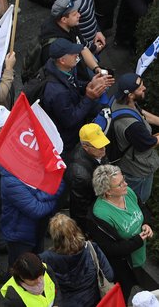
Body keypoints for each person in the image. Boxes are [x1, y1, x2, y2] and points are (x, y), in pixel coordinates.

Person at [90, 164, 156, 294]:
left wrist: (146, 223)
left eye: (124, 180)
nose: (126, 184)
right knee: (125, 294)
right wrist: (137, 241)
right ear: (108, 191)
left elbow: (143, 208)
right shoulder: (101, 214)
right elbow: (110, 249)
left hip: (141, 257)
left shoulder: (128, 192)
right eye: (120, 184)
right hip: (125, 265)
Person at [41, 38, 112, 153]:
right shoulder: (57, 92)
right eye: (72, 53)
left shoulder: (65, 69)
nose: (76, 55)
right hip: (68, 139)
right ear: (62, 60)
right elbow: (70, 120)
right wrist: (89, 97)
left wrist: (90, 84)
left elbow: (74, 85)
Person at [1, 158, 65, 267]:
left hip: (38, 230)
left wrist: (39, 197)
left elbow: (60, 183)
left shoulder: (38, 164)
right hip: (20, 237)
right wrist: (52, 199)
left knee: (36, 265)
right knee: (20, 270)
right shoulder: (10, 180)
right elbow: (36, 210)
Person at [106, 74, 159, 203]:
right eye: (141, 88)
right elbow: (150, 143)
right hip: (137, 172)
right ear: (130, 95)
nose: (145, 88)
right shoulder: (132, 125)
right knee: (137, 200)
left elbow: (141, 114)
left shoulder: (118, 100)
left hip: (124, 162)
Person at [40, 213, 112, 307]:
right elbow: (109, 275)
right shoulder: (91, 249)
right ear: (76, 229)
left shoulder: (45, 258)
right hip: (94, 301)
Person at [66, 123, 110, 232]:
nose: (103, 149)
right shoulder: (79, 175)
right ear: (85, 147)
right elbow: (80, 210)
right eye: (99, 146)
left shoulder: (97, 152)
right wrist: (87, 232)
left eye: (104, 144)